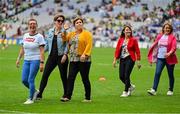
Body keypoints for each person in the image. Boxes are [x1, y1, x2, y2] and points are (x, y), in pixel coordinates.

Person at [35, 14, 69, 100]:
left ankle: (66, 94)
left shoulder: (65, 32)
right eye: (58, 20)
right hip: (51, 57)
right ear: (55, 22)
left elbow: (67, 45)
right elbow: (47, 44)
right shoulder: (50, 31)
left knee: (63, 76)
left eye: (62, 21)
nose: (60, 22)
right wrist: (41, 52)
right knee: (45, 75)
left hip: (61, 57)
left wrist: (65, 54)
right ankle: (40, 94)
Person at [61, 17, 93, 102]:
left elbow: (89, 45)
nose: (79, 24)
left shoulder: (87, 34)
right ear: (74, 25)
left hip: (84, 60)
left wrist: (84, 54)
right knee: (70, 78)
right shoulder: (71, 34)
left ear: (82, 24)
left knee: (85, 78)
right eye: (77, 23)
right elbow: (64, 39)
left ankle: (87, 97)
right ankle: (68, 96)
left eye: (80, 22)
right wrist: (64, 30)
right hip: (73, 59)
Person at [16, 18, 45, 104]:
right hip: (26, 60)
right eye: (31, 24)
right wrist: (18, 59)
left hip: (35, 60)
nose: (32, 25)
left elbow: (42, 51)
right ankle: (35, 91)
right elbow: (22, 48)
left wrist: (42, 63)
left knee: (30, 79)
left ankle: (31, 98)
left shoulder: (39, 37)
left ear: (36, 25)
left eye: (34, 24)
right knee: (24, 80)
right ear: (28, 25)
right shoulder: (25, 35)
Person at [147, 22, 178, 96]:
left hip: (170, 59)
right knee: (157, 73)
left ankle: (170, 90)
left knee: (170, 74)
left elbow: (174, 47)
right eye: (166, 28)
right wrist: (152, 58)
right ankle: (154, 90)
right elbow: (155, 47)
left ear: (170, 29)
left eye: (168, 28)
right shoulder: (159, 36)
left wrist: (169, 53)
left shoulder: (172, 37)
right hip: (160, 58)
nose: (167, 29)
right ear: (163, 29)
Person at [113, 25, 141, 97]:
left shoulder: (133, 40)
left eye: (129, 30)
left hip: (130, 59)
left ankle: (125, 91)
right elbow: (117, 50)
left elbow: (137, 51)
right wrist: (115, 60)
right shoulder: (121, 40)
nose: (128, 31)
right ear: (123, 31)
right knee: (121, 76)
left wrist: (138, 61)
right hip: (122, 59)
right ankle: (130, 86)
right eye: (126, 30)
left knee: (126, 75)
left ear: (131, 31)